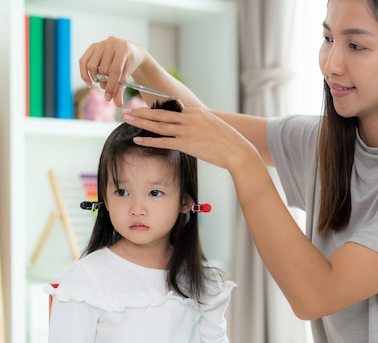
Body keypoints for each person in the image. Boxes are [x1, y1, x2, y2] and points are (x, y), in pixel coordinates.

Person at [79, 0, 378, 342]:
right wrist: (143, 64)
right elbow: (204, 125)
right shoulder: (327, 143)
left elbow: (315, 294)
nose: (332, 63)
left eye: (356, 46)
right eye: (327, 38)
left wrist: (243, 161)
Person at [46, 99, 236, 343]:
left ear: (185, 201)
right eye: (122, 192)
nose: (137, 209)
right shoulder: (87, 278)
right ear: (104, 197)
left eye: (155, 193)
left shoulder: (204, 281)